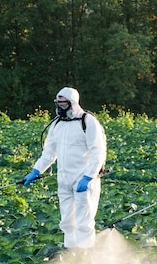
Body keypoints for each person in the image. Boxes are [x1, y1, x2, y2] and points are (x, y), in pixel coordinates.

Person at [23, 87, 107, 249]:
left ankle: (85, 256)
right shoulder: (57, 125)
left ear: (72, 103)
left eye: (63, 104)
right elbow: (49, 153)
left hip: (84, 180)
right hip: (64, 180)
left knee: (84, 221)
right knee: (67, 222)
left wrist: (89, 176)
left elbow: (98, 151)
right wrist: (36, 170)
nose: (60, 107)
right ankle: (71, 253)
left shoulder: (87, 122)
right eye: (58, 104)